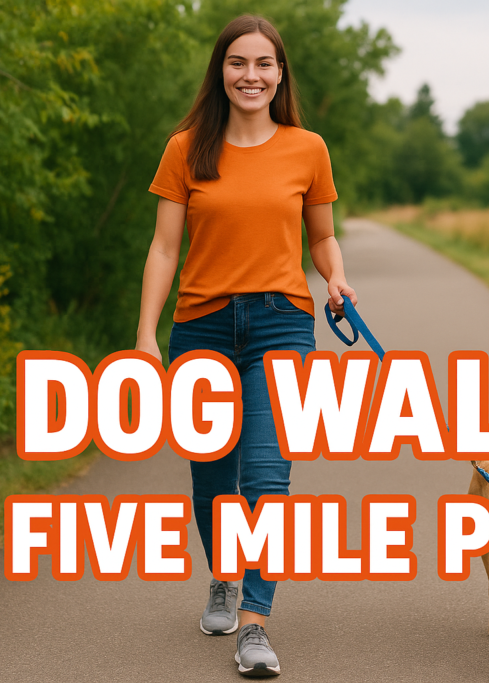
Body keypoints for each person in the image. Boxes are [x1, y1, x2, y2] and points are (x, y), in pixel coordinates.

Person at [135, 14, 356, 677]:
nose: (250, 75)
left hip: (281, 323)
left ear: (280, 74)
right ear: (221, 72)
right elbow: (164, 248)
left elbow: (322, 236)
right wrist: (145, 335)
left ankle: (255, 623)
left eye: (263, 64)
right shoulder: (186, 149)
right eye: (238, 62)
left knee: (266, 477)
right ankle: (224, 577)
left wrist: (335, 277)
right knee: (212, 477)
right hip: (201, 325)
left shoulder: (307, 148)